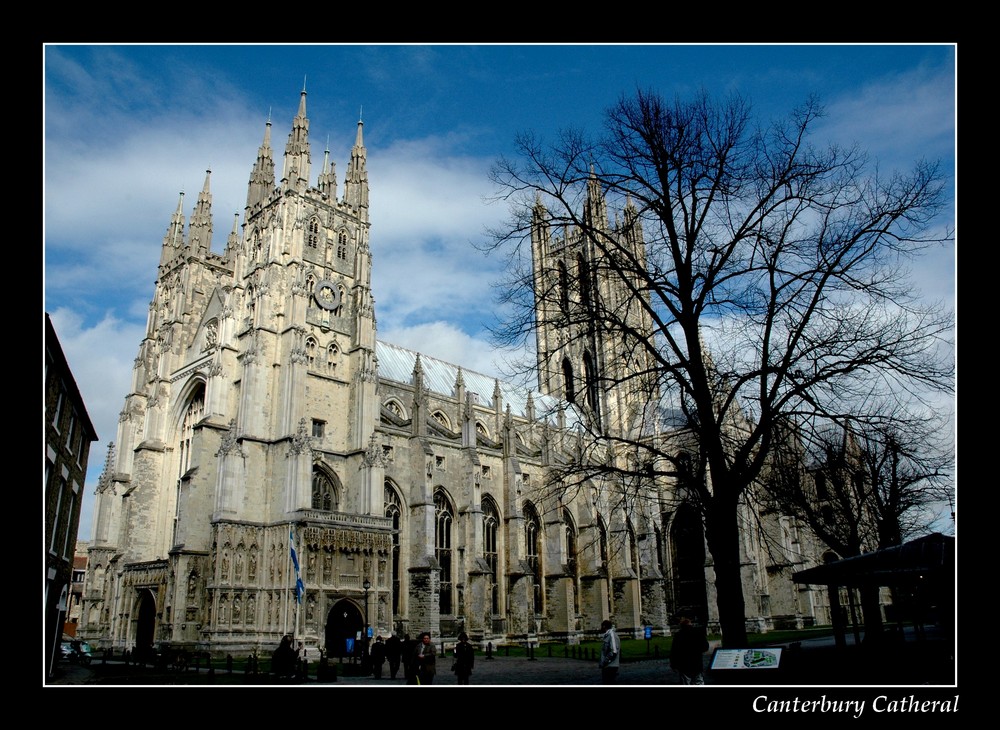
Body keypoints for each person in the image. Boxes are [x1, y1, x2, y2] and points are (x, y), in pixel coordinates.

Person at [670, 617, 709, 685]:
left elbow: (674, 651)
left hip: (684, 664)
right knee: (698, 681)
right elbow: (705, 647)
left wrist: (673, 664)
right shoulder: (698, 633)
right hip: (696, 662)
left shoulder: (678, 635)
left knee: (686, 682)